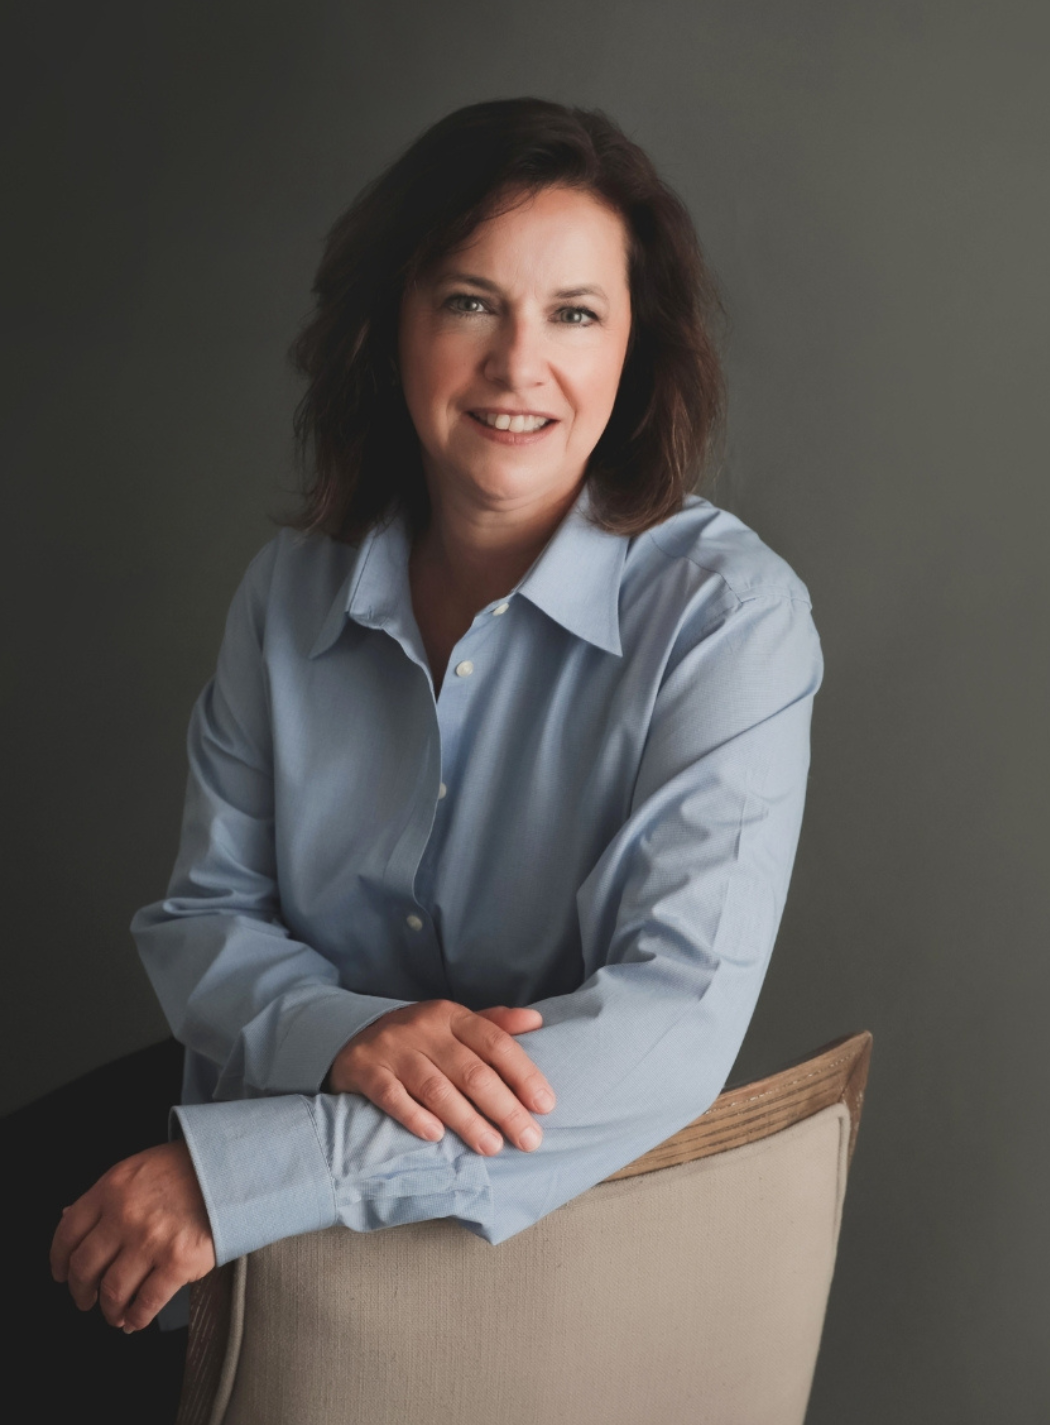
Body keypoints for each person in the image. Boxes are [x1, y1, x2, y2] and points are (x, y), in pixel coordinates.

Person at [50, 97, 823, 1337]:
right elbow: (202, 923)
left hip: (524, 1218)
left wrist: (250, 1174)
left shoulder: (730, 619)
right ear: (388, 329)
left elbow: (668, 1028)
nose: (520, 367)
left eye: (575, 314)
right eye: (471, 302)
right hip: (262, 1108)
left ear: (637, 352)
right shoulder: (288, 591)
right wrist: (351, 1037)